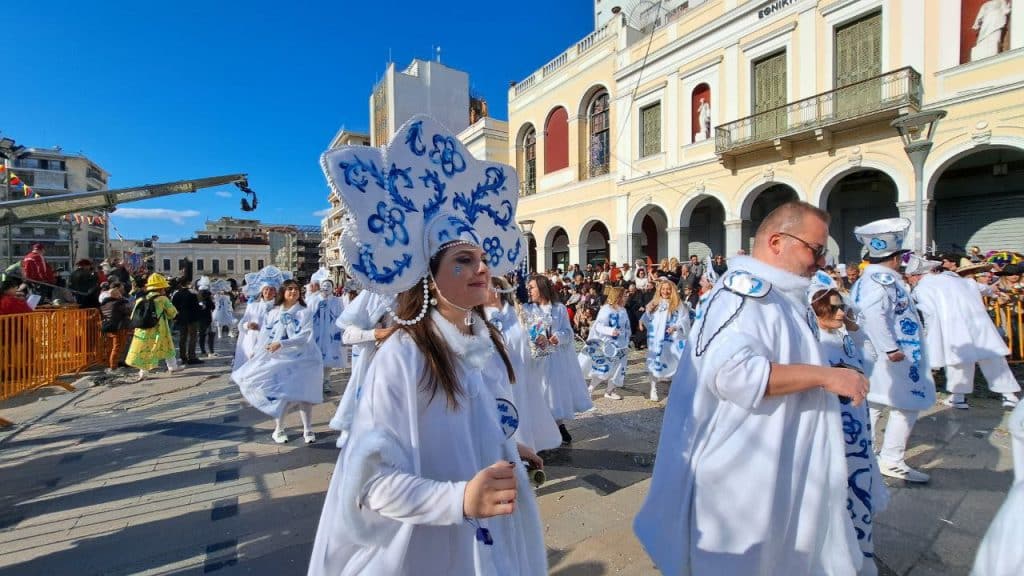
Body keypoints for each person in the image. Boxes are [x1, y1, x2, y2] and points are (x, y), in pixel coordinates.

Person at [308, 115, 546, 575]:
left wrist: (506, 448)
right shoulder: (402, 357)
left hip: (492, 537)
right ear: (430, 279)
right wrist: (458, 499)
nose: (482, 269)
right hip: (432, 550)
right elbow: (370, 484)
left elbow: (468, 429)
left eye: (482, 258)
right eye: (464, 260)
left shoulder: (480, 345)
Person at [634, 201, 868, 576]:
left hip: (774, 469)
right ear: (777, 241)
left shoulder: (781, 296)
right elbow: (734, 374)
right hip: (745, 478)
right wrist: (826, 377)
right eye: (816, 249)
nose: (822, 261)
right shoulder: (742, 296)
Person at [809, 271, 889, 576]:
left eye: (842, 306)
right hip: (833, 429)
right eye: (833, 308)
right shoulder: (813, 344)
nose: (841, 313)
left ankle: (859, 556)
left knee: (858, 494)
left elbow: (870, 360)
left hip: (857, 429)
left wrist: (855, 328)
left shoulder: (844, 339)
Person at [850, 218, 935, 483]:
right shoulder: (883, 281)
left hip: (876, 355)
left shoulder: (868, 279)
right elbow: (874, 314)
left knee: (875, 402)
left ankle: (866, 452)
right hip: (893, 356)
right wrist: (891, 348)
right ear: (896, 258)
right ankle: (891, 459)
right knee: (907, 404)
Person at [908, 254, 1020, 409]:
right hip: (980, 324)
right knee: (993, 359)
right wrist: (994, 292)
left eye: (910, 277)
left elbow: (930, 314)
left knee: (958, 362)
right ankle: (1009, 396)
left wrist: (929, 337)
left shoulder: (922, 288)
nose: (910, 281)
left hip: (952, 327)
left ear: (916, 275)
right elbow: (982, 288)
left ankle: (958, 397)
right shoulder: (959, 280)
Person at [232, 279, 323, 444]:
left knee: (305, 395)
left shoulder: (305, 312)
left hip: (304, 358)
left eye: (296, 289)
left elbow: (305, 336)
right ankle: (279, 429)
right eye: (290, 289)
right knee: (282, 395)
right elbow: (265, 336)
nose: (293, 292)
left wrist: (282, 343)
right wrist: (257, 351)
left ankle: (308, 429)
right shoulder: (273, 312)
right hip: (279, 359)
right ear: (283, 292)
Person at [486, 276, 562, 453]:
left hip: (519, 380)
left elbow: (533, 346)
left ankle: (524, 453)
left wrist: (540, 343)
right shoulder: (476, 318)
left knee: (520, 417)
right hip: (493, 382)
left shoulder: (518, 314)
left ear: (497, 291)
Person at [524, 274, 594, 445]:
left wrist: (558, 337)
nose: (529, 290)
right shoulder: (526, 309)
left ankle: (558, 424)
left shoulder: (559, 309)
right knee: (537, 392)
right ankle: (539, 427)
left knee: (553, 392)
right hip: (535, 358)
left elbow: (568, 332)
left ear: (542, 288)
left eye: (532, 287)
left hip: (554, 359)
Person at [329, 288, 392, 448]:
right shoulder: (366, 306)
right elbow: (347, 336)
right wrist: (376, 334)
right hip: (368, 369)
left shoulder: (409, 302)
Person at [641, 277, 691, 402]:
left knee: (674, 362)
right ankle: (653, 388)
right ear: (659, 290)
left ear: (672, 290)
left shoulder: (678, 304)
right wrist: (647, 313)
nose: (665, 291)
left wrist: (675, 327)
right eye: (663, 289)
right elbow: (647, 318)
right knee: (654, 361)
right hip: (656, 339)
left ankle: (674, 389)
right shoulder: (655, 302)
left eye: (668, 289)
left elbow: (684, 319)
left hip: (671, 339)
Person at [125, 273, 180, 382]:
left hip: (143, 330)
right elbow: (172, 313)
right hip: (159, 329)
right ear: (160, 288)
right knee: (166, 346)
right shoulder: (162, 299)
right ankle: (172, 367)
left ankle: (144, 372)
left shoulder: (141, 299)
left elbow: (133, 316)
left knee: (145, 350)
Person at [583, 285, 632, 400]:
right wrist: (610, 331)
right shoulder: (606, 309)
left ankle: (609, 391)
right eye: (624, 295)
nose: (626, 297)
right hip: (609, 344)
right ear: (617, 296)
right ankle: (590, 389)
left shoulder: (623, 310)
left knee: (618, 369)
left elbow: (627, 327)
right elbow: (598, 326)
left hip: (622, 345)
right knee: (604, 367)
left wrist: (627, 337)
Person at [307, 270, 347, 393]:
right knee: (316, 357)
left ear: (333, 288)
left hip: (331, 333)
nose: (326, 288)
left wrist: (341, 332)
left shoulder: (337, 301)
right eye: (324, 285)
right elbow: (308, 316)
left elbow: (341, 316)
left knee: (329, 357)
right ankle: (316, 381)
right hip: (317, 333)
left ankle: (327, 381)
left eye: (329, 286)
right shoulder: (314, 300)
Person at [233, 271, 281, 372]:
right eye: (266, 289)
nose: (268, 292)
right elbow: (241, 324)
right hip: (252, 342)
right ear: (262, 291)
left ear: (276, 292)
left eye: (272, 289)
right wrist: (248, 325)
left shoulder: (279, 308)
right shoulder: (253, 306)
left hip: (269, 343)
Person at [100, 283, 132, 374]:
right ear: (116, 295)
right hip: (119, 327)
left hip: (109, 327)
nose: (120, 295)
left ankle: (110, 365)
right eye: (118, 294)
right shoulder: (118, 304)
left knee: (111, 347)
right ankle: (113, 367)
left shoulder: (104, 304)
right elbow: (128, 311)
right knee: (117, 347)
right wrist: (123, 300)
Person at [171, 279, 203, 365]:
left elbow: (173, 307)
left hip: (181, 318)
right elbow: (197, 306)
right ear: (188, 283)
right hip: (192, 318)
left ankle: (183, 357)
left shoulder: (177, 294)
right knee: (193, 338)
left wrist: (177, 317)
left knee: (182, 338)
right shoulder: (192, 293)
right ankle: (191, 357)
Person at [196, 288, 216, 359]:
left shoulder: (197, 301)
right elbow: (213, 307)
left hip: (200, 321)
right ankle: (211, 351)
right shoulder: (208, 301)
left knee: (202, 336)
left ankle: (203, 351)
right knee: (211, 335)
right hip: (208, 320)